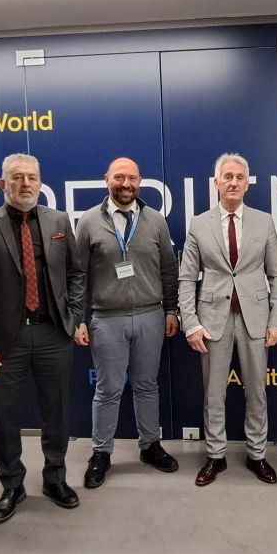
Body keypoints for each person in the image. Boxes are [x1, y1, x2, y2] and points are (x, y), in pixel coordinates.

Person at [0, 153, 84, 523]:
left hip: (53, 334)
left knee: (56, 413)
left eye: (32, 177)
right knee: (6, 418)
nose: (26, 184)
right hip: (6, 341)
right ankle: (12, 484)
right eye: (17, 177)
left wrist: (74, 317)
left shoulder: (59, 220)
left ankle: (55, 478)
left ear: (40, 182)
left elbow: (76, 274)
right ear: (3, 184)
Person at [179, 153, 277, 486]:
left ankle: (257, 455)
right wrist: (190, 323)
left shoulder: (264, 222)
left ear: (247, 184)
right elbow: (186, 278)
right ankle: (215, 456)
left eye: (240, 177)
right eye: (227, 177)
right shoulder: (199, 224)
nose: (234, 182)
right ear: (216, 183)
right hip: (212, 320)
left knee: (257, 392)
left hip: (256, 318)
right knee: (214, 394)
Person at [74, 157, 180, 487]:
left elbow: (168, 269)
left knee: (147, 385)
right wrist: (79, 318)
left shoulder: (155, 220)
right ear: (106, 179)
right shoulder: (88, 221)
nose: (126, 184)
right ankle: (101, 453)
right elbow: (78, 274)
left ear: (140, 182)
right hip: (106, 319)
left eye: (132, 178)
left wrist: (171, 310)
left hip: (150, 316)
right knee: (108, 389)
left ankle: (150, 445)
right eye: (119, 177)